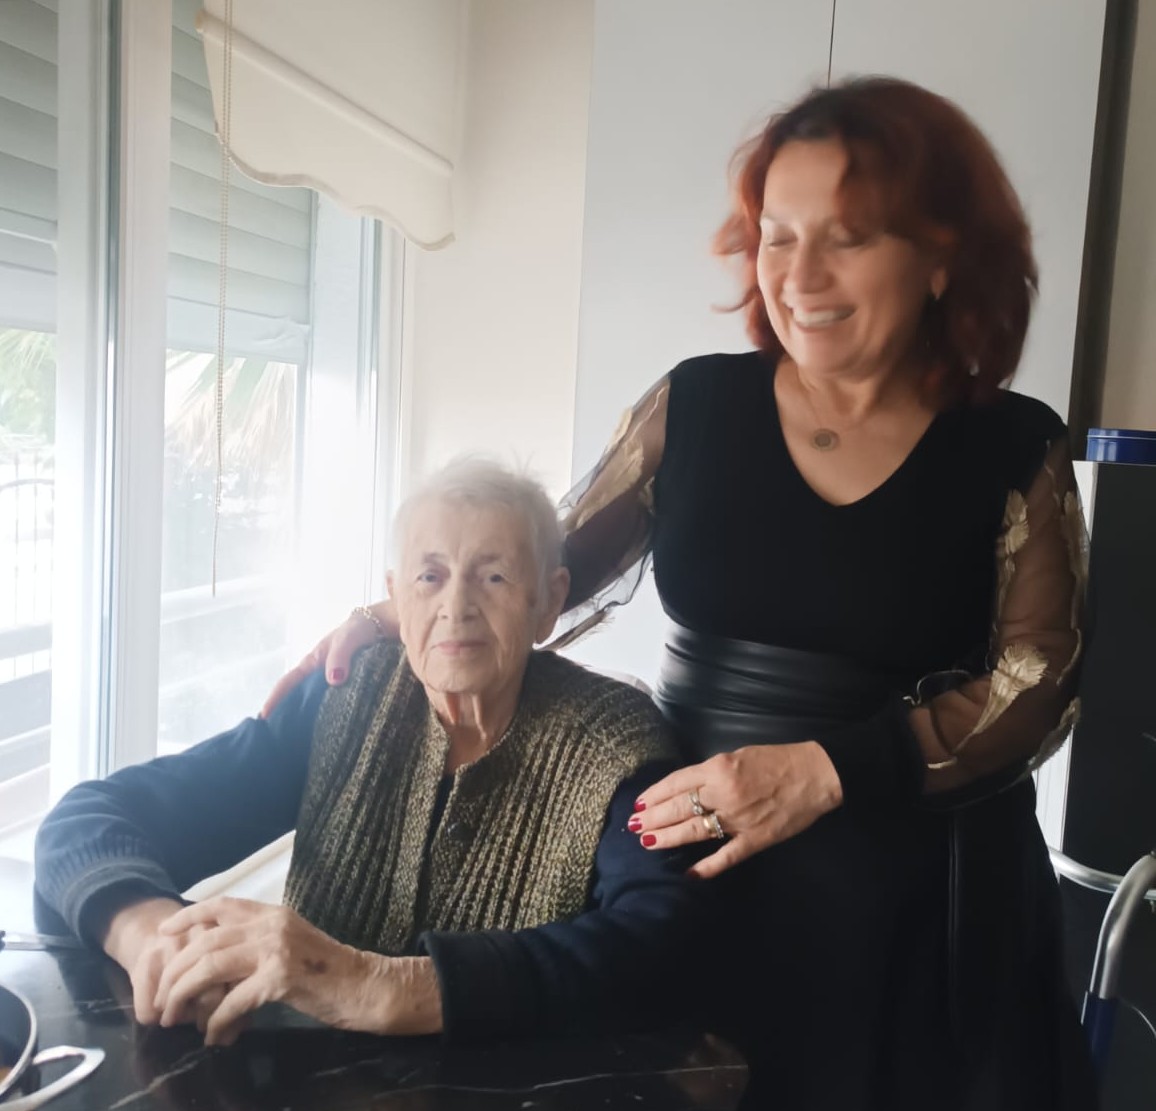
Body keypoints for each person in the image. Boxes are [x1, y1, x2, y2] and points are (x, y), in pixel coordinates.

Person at [263, 78, 1095, 1110]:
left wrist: (828, 769)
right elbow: (541, 561)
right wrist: (402, 613)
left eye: (847, 239)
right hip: (689, 871)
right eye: (777, 236)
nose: (800, 276)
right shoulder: (696, 401)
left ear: (939, 257)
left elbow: (1040, 683)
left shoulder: (1013, 443)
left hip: (919, 911)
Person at [34, 461, 708, 1050]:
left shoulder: (616, 744)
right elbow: (89, 819)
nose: (456, 607)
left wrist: (385, 986)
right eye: (429, 576)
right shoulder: (345, 700)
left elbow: (661, 943)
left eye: (494, 576)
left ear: (549, 600)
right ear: (396, 594)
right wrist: (154, 937)